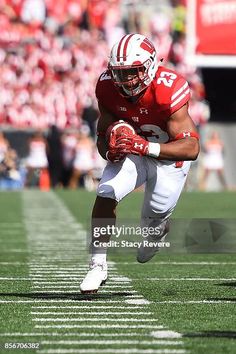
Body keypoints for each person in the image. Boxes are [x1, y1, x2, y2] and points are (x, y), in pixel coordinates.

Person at [80, 33, 200, 294]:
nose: (125, 80)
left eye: (132, 72)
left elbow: (191, 148)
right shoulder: (107, 87)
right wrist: (109, 151)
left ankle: (157, 231)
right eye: (119, 73)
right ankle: (97, 263)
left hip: (168, 158)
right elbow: (102, 136)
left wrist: (146, 146)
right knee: (106, 192)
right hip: (133, 153)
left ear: (150, 66)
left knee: (153, 219)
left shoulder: (169, 88)